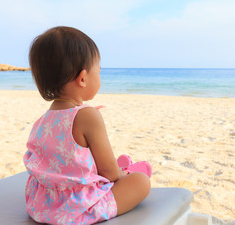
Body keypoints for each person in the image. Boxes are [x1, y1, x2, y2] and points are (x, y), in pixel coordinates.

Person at [23, 26, 151, 225]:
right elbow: (108, 172)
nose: (100, 76)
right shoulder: (87, 115)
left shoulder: (42, 121)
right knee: (141, 182)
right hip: (74, 208)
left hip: (42, 205)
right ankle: (127, 169)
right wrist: (121, 174)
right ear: (83, 78)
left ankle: (123, 168)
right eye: (98, 71)